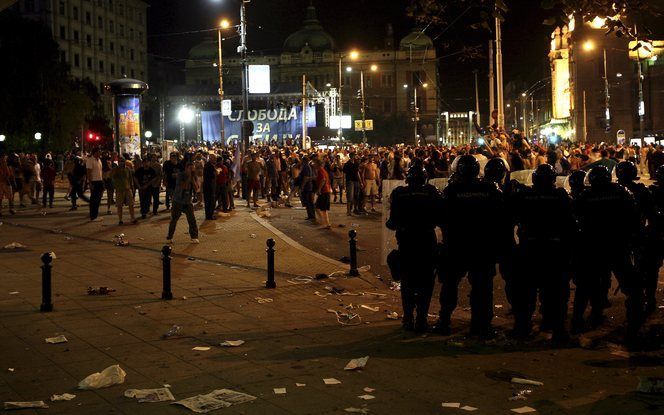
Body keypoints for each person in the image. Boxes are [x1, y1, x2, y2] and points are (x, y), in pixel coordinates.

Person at [434, 155, 508, 338]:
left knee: (450, 285)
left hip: (456, 246)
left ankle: (444, 321)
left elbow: (440, 217)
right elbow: (502, 217)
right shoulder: (490, 189)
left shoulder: (451, 190)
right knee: (482, 288)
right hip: (481, 247)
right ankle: (481, 325)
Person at [572, 166, 644, 341]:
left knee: (587, 285)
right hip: (618, 246)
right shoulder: (621, 192)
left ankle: (579, 320)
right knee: (633, 289)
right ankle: (634, 325)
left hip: (594, 247)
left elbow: (575, 219)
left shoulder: (586, 196)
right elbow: (635, 218)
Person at [511, 164, 576, 342]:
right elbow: (570, 225)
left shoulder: (525, 196)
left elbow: (513, 217)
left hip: (530, 248)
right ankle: (557, 329)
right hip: (554, 250)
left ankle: (522, 327)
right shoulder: (561, 196)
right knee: (556, 292)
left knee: (526, 292)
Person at [386, 163, 442, 332]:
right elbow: (440, 216)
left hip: (407, 241)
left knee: (407, 281)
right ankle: (422, 319)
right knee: (427, 282)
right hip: (426, 241)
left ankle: (408, 318)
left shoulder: (399, 194)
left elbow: (392, 222)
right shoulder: (431, 193)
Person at [616, 161, 658, 315]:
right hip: (635, 235)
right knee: (645, 269)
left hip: (627, 236)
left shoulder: (619, 191)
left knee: (637, 269)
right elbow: (651, 214)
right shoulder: (640, 190)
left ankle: (642, 298)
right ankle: (646, 297)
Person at [167, 160, 199, 244]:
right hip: (178, 200)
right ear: (186, 168)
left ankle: (194, 236)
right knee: (174, 219)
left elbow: (196, 189)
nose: (191, 170)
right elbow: (183, 186)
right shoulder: (181, 175)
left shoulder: (193, 176)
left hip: (188, 201)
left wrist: (192, 178)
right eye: (189, 168)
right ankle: (170, 236)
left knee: (192, 219)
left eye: (192, 168)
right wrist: (188, 177)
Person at [647, 166, 664, 314]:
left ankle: (650, 298)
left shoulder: (652, 191)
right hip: (656, 233)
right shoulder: (651, 191)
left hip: (655, 233)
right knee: (652, 268)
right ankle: (650, 298)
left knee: (652, 269)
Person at [110, 157, 137, 225]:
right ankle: (120, 220)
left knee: (131, 204)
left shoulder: (127, 169)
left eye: (122, 161)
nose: (121, 163)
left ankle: (132, 218)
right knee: (119, 205)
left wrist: (132, 187)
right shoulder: (115, 169)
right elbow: (112, 177)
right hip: (119, 189)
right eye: (120, 161)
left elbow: (130, 178)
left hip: (127, 188)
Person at [86, 148, 104, 221]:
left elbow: (100, 171)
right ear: (95, 152)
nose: (100, 153)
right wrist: (90, 183)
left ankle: (95, 215)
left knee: (98, 199)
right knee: (94, 199)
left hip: (99, 181)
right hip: (94, 181)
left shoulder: (99, 160)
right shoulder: (90, 160)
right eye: (99, 152)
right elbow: (89, 172)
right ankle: (93, 216)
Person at [313, 158, 332, 229]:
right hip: (326, 191)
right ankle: (326, 223)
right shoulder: (323, 171)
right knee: (323, 209)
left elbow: (323, 180)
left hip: (324, 191)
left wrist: (319, 189)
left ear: (318, 164)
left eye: (315, 164)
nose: (314, 165)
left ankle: (323, 222)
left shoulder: (320, 171)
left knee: (318, 207)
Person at [298, 154, 315, 220]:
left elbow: (306, 177)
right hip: (307, 186)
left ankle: (311, 215)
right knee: (308, 202)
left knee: (308, 201)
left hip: (307, 187)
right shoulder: (306, 166)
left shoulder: (306, 167)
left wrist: (302, 186)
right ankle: (310, 215)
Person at [203, 153, 217, 220]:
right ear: (211, 158)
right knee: (210, 201)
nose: (215, 160)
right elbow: (213, 174)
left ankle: (209, 215)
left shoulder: (208, 165)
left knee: (209, 201)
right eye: (214, 158)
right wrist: (216, 172)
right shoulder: (209, 166)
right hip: (209, 186)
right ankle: (209, 215)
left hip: (208, 185)